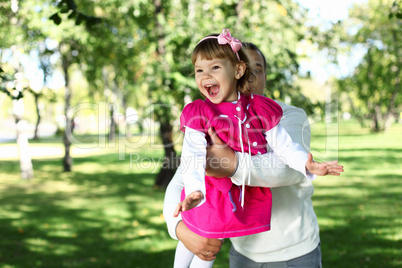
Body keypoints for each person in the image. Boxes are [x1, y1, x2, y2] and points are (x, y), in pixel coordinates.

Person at [164, 29, 343, 268]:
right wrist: (178, 228)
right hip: (244, 252)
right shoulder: (208, 115)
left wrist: (228, 163)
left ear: (262, 75)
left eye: (255, 69)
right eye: (200, 70)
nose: (249, 76)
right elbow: (184, 175)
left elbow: (284, 169)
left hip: (295, 251)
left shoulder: (286, 115)